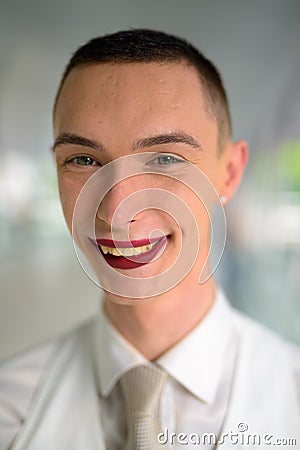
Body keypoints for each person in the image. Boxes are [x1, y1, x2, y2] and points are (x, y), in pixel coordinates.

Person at [0, 29, 299, 450]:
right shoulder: (8, 409)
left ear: (228, 173)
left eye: (165, 158)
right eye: (84, 160)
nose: (118, 208)